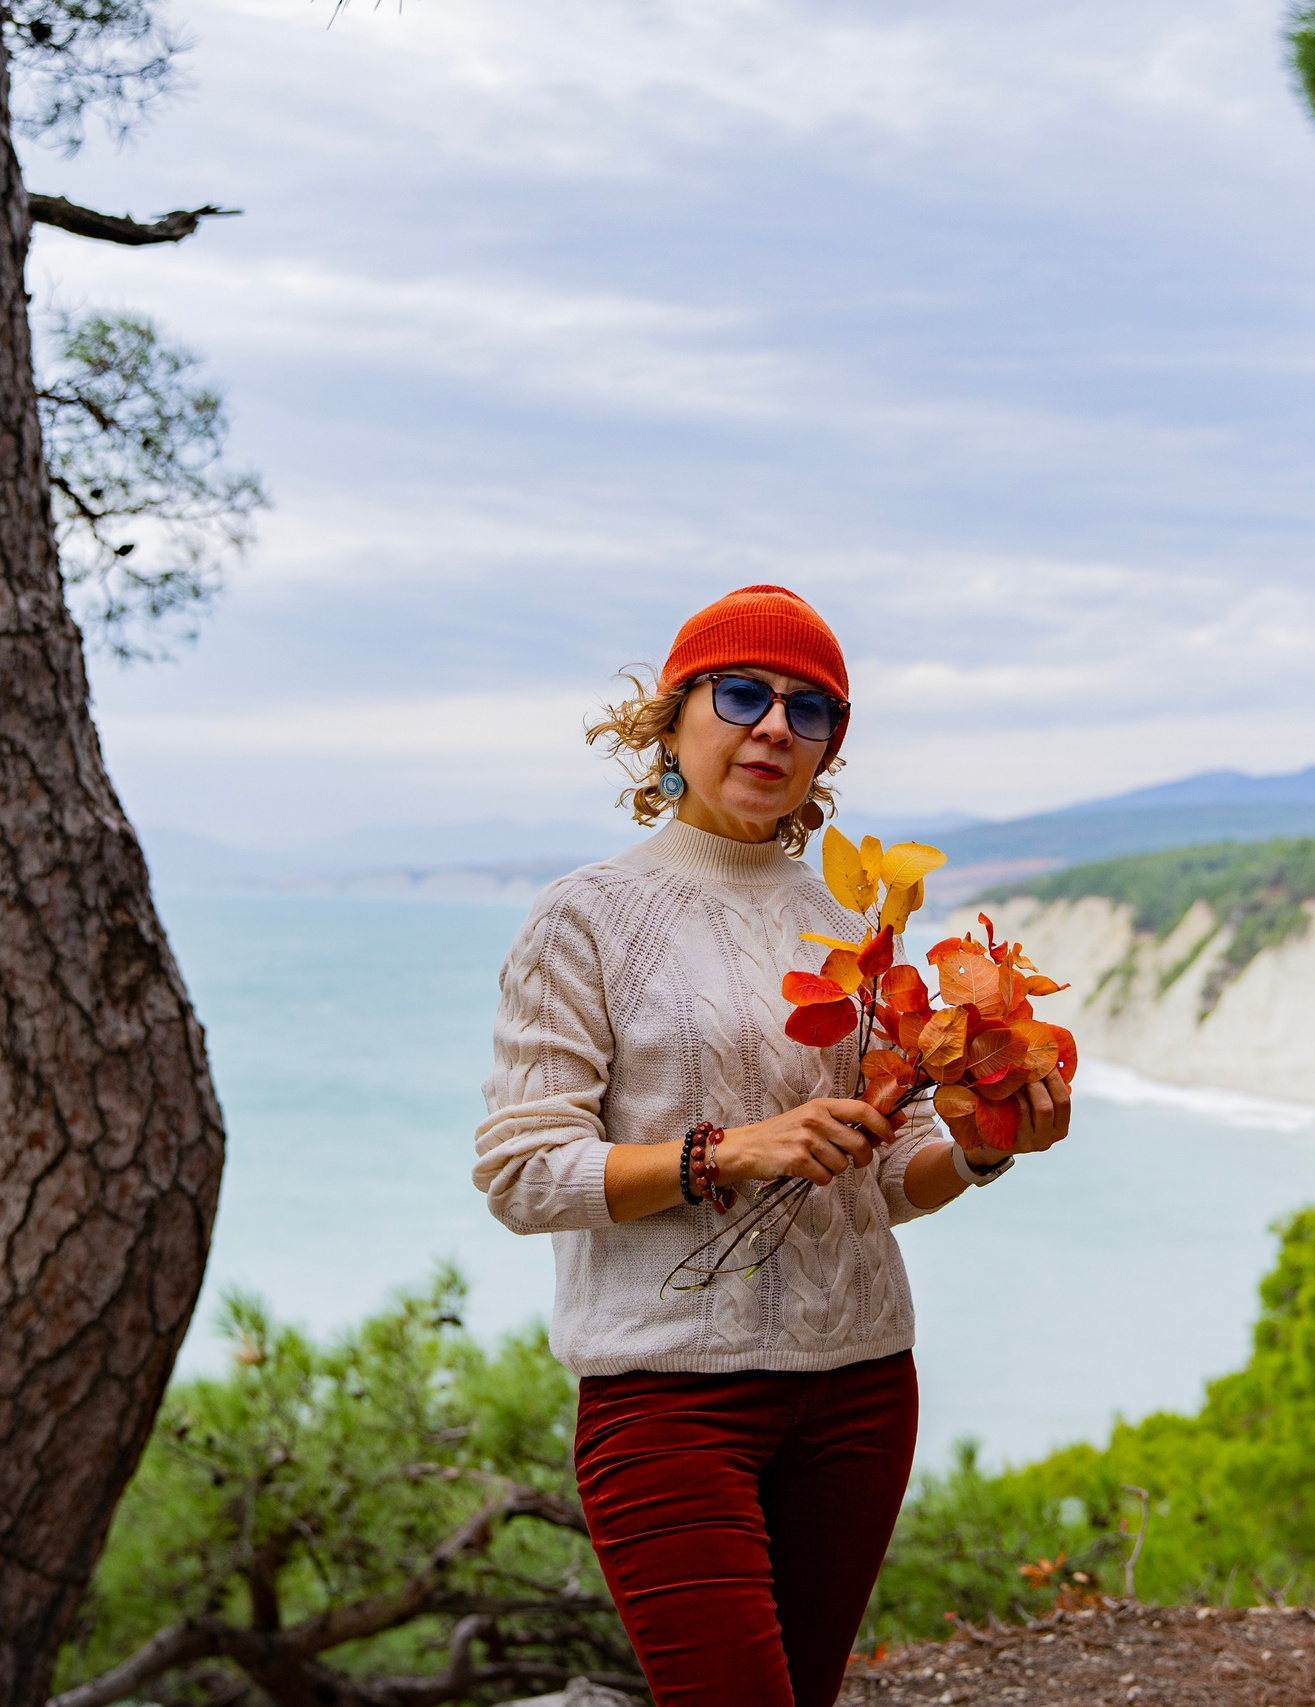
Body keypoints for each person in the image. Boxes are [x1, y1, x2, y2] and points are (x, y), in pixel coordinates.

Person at [473, 584, 1074, 1707]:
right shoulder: (586, 917)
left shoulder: (855, 928)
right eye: (742, 693)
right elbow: (520, 1174)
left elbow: (884, 1179)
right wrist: (727, 1153)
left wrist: (988, 1143)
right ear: (672, 718)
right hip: (665, 1402)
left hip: (858, 1389)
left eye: (811, 712)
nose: (774, 729)